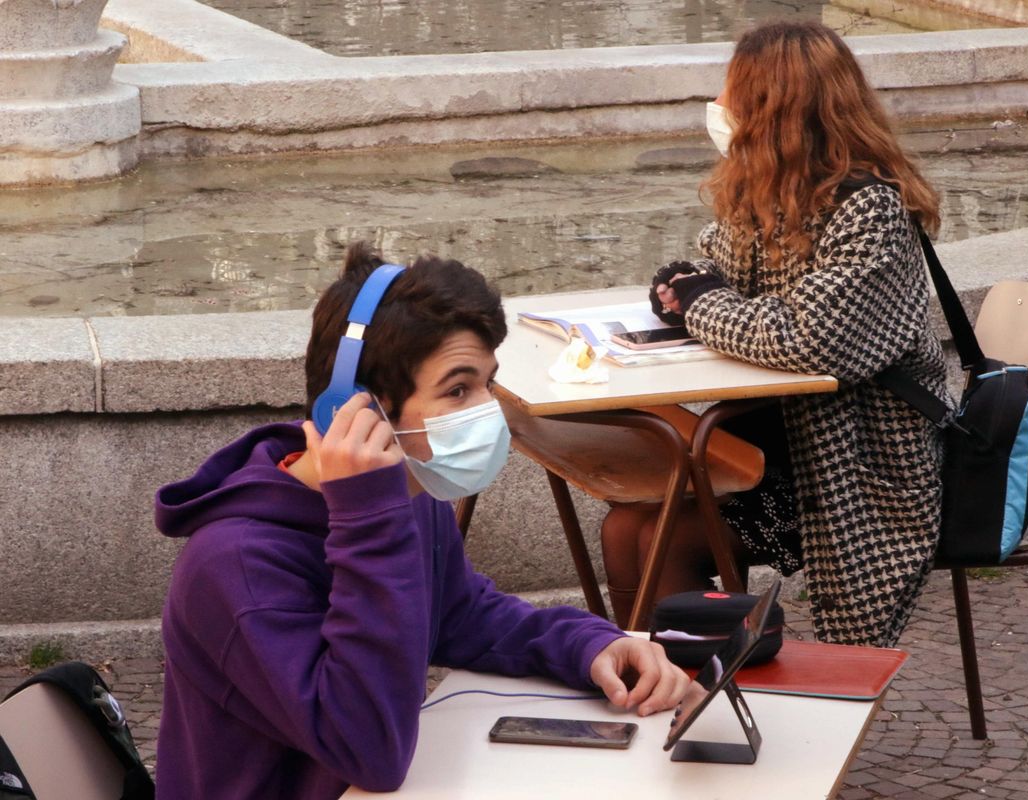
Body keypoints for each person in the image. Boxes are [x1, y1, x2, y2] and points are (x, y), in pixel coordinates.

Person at [154, 244, 689, 799]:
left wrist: (587, 645)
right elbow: (367, 749)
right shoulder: (237, 564)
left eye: (487, 382)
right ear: (357, 411)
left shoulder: (402, 488)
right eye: (458, 389)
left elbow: (459, 616)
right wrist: (367, 520)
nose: (490, 408)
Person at [601, 21, 948, 648]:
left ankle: (706, 697)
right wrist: (686, 283)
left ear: (772, 111)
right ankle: (642, 683)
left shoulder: (870, 209)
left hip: (858, 465)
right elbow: (719, 267)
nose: (720, 107)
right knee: (624, 528)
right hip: (782, 444)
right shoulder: (768, 190)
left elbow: (805, 340)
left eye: (733, 93)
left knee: (657, 540)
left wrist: (701, 304)